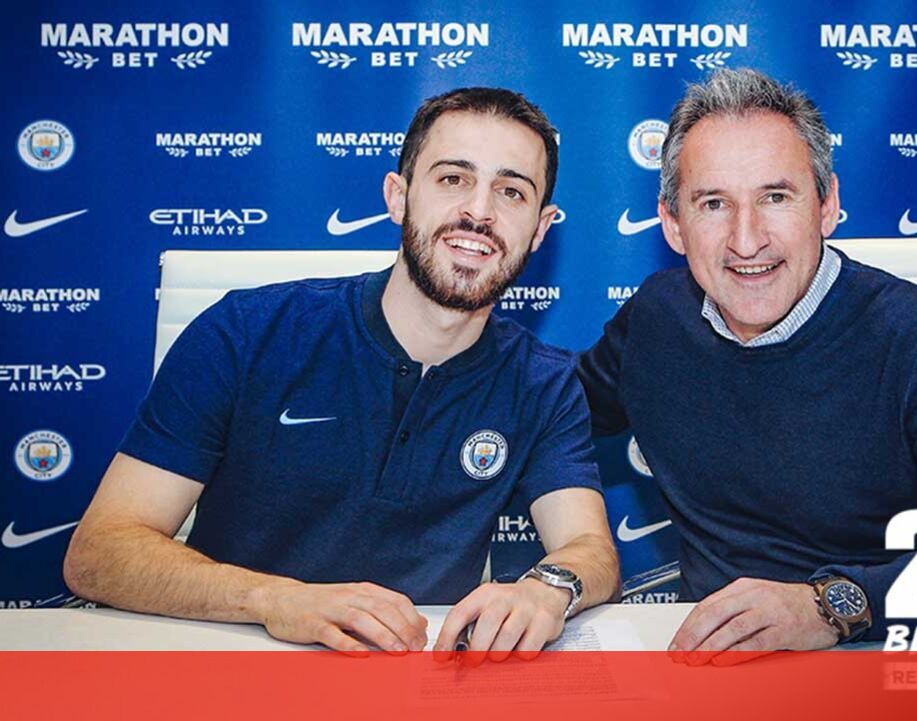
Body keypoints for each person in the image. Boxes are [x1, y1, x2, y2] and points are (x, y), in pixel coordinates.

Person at [64, 87, 620, 658]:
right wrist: (273, 600)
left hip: (415, 676)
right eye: (453, 179)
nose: (479, 212)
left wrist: (549, 588)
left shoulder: (543, 383)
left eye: (511, 191)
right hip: (233, 658)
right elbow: (100, 552)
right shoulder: (245, 332)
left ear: (540, 229)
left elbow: (590, 548)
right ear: (398, 197)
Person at [577, 68, 917, 662]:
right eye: (714, 203)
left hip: (880, 654)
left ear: (828, 207)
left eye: (775, 197)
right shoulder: (657, 317)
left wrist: (833, 606)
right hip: (708, 661)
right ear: (673, 224)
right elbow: (553, 411)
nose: (747, 240)